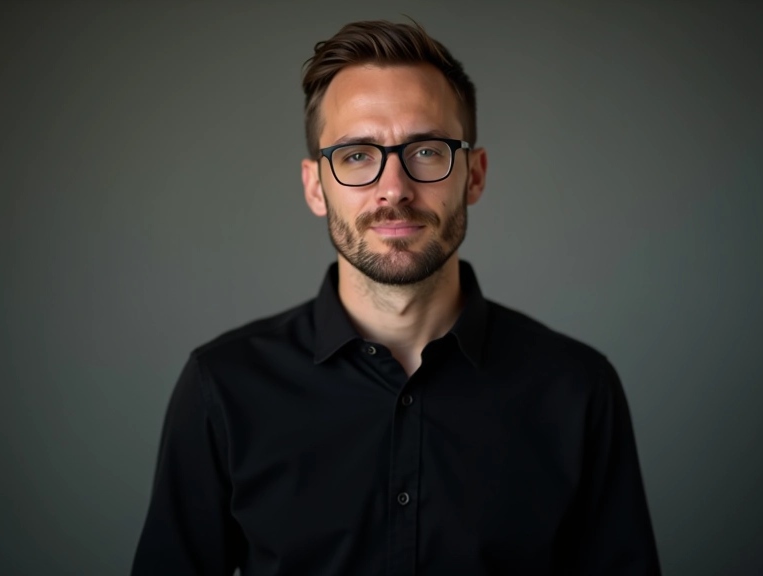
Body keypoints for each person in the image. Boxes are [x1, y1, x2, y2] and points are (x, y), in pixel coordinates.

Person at [131, 19, 660, 576]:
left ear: (473, 175)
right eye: (358, 155)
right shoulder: (223, 388)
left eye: (427, 151)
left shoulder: (576, 389)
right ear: (316, 186)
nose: (395, 189)